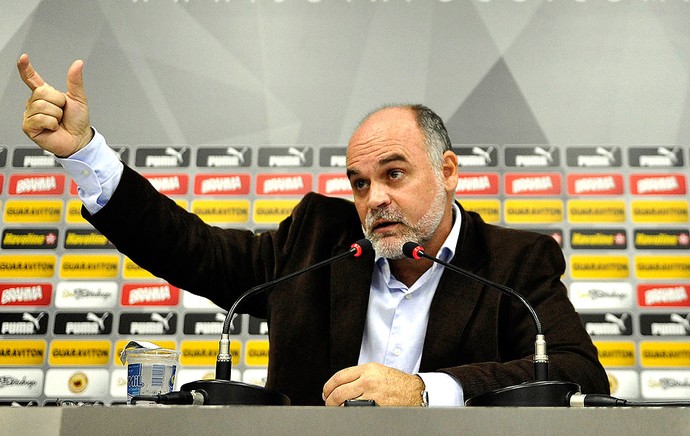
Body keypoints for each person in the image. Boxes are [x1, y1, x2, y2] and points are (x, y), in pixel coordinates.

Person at [17, 54, 609, 406]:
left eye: (394, 174)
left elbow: (576, 372)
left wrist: (427, 391)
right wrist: (84, 156)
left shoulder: (515, 262)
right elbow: (189, 249)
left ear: (448, 171)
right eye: (359, 183)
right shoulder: (317, 241)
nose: (375, 199)